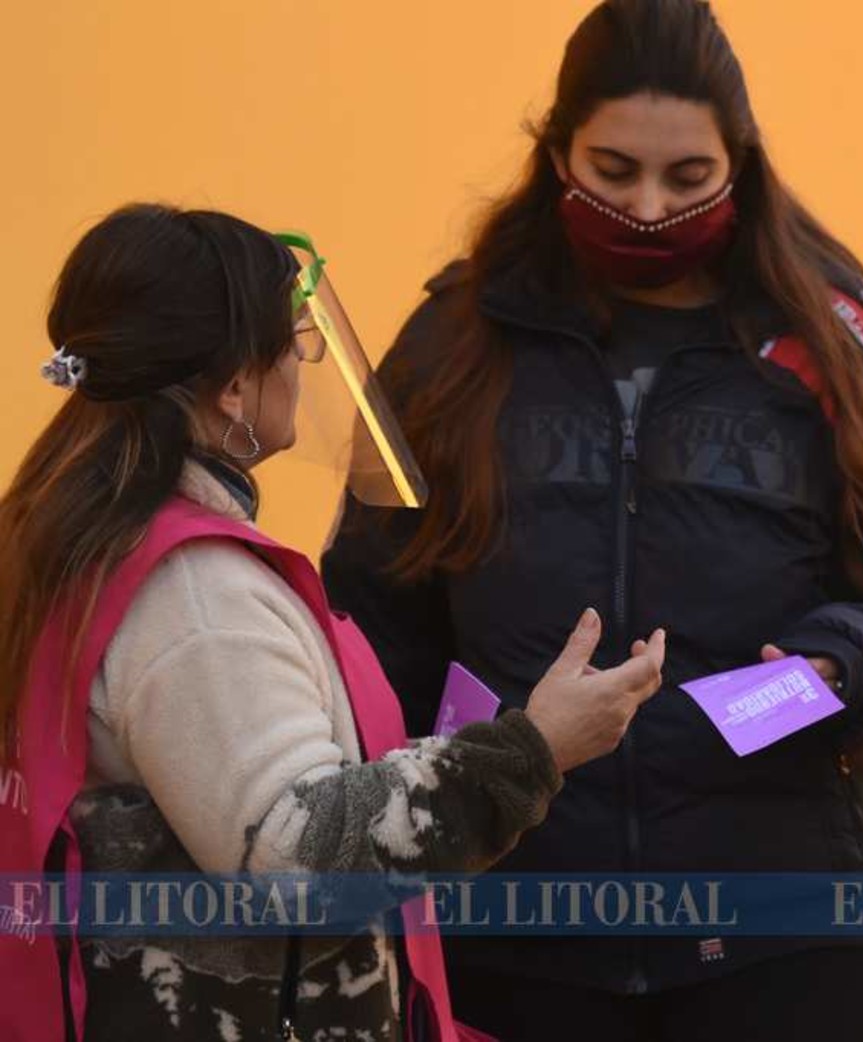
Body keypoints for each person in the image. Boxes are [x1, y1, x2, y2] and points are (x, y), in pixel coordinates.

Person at [322, 1, 863, 1039]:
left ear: (738, 164)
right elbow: (370, 616)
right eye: (613, 171)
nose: (648, 206)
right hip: (514, 923)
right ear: (555, 150)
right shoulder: (454, 342)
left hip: (787, 932)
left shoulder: (835, 347)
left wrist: (845, 668)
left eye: (686, 179)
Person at [0, 203, 666, 1042]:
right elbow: (297, 861)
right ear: (234, 385)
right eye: (294, 341)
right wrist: (537, 748)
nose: (303, 365)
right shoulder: (197, 597)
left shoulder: (85, 537)